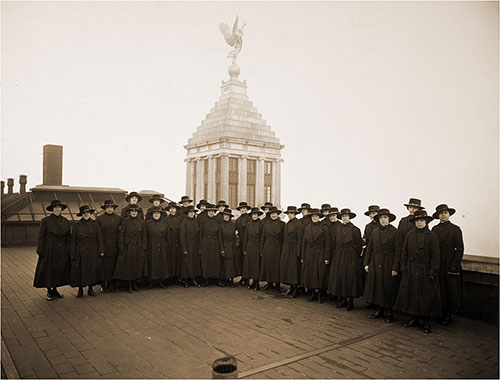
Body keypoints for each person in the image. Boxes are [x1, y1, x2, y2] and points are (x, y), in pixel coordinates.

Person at [394, 210, 441, 334]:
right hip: (411, 268)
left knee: (425, 296)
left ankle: (425, 321)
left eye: (421, 220)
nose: (419, 223)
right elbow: (404, 252)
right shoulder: (410, 235)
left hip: (425, 270)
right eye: (417, 221)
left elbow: (435, 257)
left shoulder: (431, 236)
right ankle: (413, 317)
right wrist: (403, 268)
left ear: (426, 222)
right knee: (412, 294)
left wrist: (432, 272)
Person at [363, 208, 403, 323]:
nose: (383, 220)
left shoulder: (395, 232)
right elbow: (370, 249)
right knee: (377, 285)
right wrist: (367, 263)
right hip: (376, 261)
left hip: (389, 262)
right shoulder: (375, 232)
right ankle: (379, 310)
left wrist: (395, 267)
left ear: (389, 219)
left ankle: (389, 312)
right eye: (381, 218)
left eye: (385, 218)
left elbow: (398, 252)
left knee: (388, 286)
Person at [432, 204, 464, 325]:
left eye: (445, 213)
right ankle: (439, 311)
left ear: (449, 214)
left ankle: (448, 314)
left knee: (449, 289)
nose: (443, 215)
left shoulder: (455, 229)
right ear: (438, 216)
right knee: (438, 287)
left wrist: (455, 264)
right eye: (441, 213)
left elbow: (459, 249)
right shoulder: (434, 229)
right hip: (437, 261)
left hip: (449, 262)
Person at [34, 199, 71, 301]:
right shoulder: (45, 221)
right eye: (55, 208)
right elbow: (41, 236)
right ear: (52, 209)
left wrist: (69, 249)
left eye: (59, 207)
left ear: (61, 209)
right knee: (49, 270)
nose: (57, 209)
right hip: (49, 249)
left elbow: (68, 237)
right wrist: (40, 250)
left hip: (62, 249)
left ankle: (55, 289)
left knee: (59, 270)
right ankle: (49, 291)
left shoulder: (65, 221)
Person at [330, 208, 363, 311]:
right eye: (343, 216)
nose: (344, 218)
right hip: (339, 255)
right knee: (340, 277)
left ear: (350, 217)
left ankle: (351, 301)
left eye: (346, 216)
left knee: (350, 278)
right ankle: (343, 299)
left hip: (350, 256)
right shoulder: (339, 228)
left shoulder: (355, 230)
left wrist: (353, 256)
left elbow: (359, 246)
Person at [70, 205, 104, 298]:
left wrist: (101, 250)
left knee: (92, 269)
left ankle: (90, 289)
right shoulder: (77, 225)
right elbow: (73, 240)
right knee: (80, 270)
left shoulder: (95, 224)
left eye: (88, 213)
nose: (86, 214)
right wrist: (72, 252)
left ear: (90, 214)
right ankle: (80, 290)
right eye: (84, 213)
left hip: (93, 249)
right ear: (81, 214)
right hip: (81, 250)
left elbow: (99, 238)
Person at [114, 204, 147, 293]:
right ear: (129, 212)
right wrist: (122, 247)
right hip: (128, 246)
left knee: (137, 266)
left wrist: (143, 247)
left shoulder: (141, 222)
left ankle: (135, 283)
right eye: (132, 211)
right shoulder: (125, 222)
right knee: (128, 266)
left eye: (135, 211)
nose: (133, 213)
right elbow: (121, 236)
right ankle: (129, 284)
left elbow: (144, 235)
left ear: (138, 213)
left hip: (138, 246)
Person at [301, 208, 330, 303]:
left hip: (320, 252)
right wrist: (303, 256)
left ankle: (320, 295)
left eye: (316, 216)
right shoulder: (307, 227)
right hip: (309, 253)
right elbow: (304, 243)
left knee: (319, 273)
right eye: (313, 216)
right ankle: (312, 294)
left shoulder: (324, 228)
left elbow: (327, 243)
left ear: (319, 217)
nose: (315, 218)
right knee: (310, 273)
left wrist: (326, 257)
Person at [96, 200, 122, 293]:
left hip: (115, 245)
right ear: (105, 209)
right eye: (108, 207)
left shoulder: (118, 219)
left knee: (113, 265)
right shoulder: (99, 219)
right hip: (104, 245)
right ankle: (103, 284)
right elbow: (98, 235)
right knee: (104, 266)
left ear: (114, 209)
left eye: (112, 207)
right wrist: (100, 248)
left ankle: (111, 284)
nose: (110, 209)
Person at [260, 206, 285, 292]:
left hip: (278, 247)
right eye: (272, 214)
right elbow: (263, 237)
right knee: (268, 265)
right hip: (268, 246)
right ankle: (269, 283)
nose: (273, 215)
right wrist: (262, 249)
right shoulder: (266, 224)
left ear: (278, 214)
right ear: (269, 215)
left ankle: (277, 284)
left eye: (275, 214)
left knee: (277, 266)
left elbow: (284, 238)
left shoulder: (282, 225)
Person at [279, 206, 303, 298]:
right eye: (289, 213)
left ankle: (296, 289)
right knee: (288, 268)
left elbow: (300, 239)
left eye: (292, 213)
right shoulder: (288, 223)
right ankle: (291, 287)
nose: (290, 215)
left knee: (294, 270)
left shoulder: (298, 224)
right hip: (287, 248)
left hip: (294, 248)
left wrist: (298, 251)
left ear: (295, 214)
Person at [198, 203, 223, 286]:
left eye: (213, 211)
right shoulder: (203, 221)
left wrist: (220, 247)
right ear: (207, 212)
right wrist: (200, 247)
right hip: (206, 243)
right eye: (209, 211)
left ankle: (216, 279)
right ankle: (207, 279)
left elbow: (219, 235)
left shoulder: (217, 221)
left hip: (215, 244)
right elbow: (200, 235)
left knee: (216, 261)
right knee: (207, 261)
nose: (211, 213)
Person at [145, 207, 169, 289]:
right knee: (152, 263)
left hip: (162, 245)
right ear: (152, 215)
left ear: (160, 215)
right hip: (151, 246)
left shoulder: (164, 224)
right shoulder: (148, 224)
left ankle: (160, 281)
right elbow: (145, 236)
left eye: (158, 213)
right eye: (154, 213)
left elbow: (167, 236)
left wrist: (165, 245)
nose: (156, 215)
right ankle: (151, 281)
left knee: (161, 263)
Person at [362, 205, 380, 305]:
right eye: (370, 214)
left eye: (374, 213)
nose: (372, 216)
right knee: (370, 278)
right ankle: (370, 300)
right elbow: (365, 238)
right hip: (369, 253)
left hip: (379, 253)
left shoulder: (380, 226)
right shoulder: (368, 226)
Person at [180, 205, 202, 287]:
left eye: (193, 212)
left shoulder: (196, 222)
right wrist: (184, 248)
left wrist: (199, 246)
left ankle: (194, 279)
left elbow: (199, 234)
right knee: (186, 263)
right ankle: (186, 280)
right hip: (188, 244)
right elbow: (182, 236)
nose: (192, 214)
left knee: (194, 263)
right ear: (187, 214)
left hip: (195, 245)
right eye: (190, 212)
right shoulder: (184, 222)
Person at [243, 207, 264, 290]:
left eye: (256, 214)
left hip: (257, 246)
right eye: (253, 215)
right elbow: (246, 237)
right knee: (250, 264)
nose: (254, 216)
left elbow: (263, 237)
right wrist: (245, 248)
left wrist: (261, 249)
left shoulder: (261, 224)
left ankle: (256, 283)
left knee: (256, 265)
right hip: (249, 246)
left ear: (258, 215)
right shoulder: (249, 224)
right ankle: (251, 281)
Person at [325, 207, 341, 300]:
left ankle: (336, 293)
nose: (332, 217)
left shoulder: (340, 226)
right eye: (330, 216)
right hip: (328, 251)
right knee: (327, 272)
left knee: (336, 272)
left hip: (337, 252)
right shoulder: (327, 226)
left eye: (334, 215)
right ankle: (329, 291)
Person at [219, 208, 237, 287]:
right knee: (225, 264)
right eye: (225, 215)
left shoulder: (233, 224)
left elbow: (235, 235)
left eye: (228, 216)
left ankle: (232, 280)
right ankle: (225, 279)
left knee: (232, 264)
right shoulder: (220, 225)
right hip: (225, 245)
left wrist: (237, 242)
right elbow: (219, 238)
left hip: (232, 246)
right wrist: (222, 249)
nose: (226, 217)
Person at [235, 201, 251, 285]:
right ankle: (243, 277)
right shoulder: (238, 219)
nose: (242, 210)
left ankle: (247, 277)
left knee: (247, 260)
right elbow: (236, 231)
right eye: (241, 208)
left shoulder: (249, 219)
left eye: (244, 208)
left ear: (247, 209)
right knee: (241, 260)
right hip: (240, 242)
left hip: (247, 242)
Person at [166, 201, 182, 284]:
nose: (172, 210)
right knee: (170, 259)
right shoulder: (166, 219)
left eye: (174, 209)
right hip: (170, 241)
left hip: (178, 241)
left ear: (176, 210)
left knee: (178, 259)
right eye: (171, 209)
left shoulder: (179, 219)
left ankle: (177, 277)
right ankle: (170, 277)